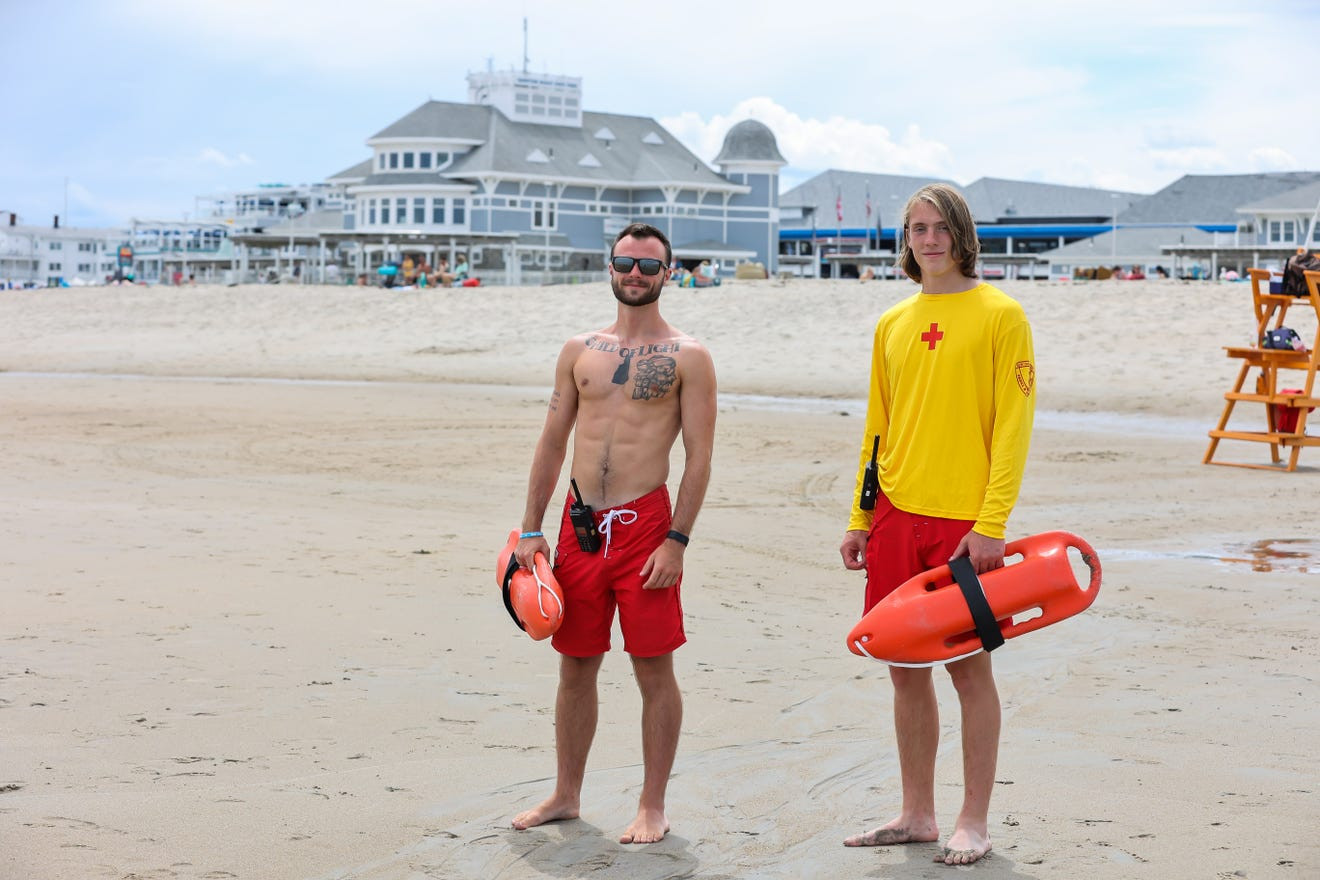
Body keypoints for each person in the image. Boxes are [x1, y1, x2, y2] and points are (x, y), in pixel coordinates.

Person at [838, 183, 1035, 866]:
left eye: (941, 227)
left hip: (962, 525)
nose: (929, 239)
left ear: (962, 234)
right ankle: (917, 813)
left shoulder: (1002, 314)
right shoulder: (892, 324)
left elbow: (1013, 429)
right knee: (902, 670)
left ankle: (972, 820)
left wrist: (992, 523)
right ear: (907, 241)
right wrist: (862, 516)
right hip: (895, 514)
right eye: (917, 228)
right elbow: (877, 428)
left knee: (969, 672)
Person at [509, 222, 717, 845]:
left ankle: (652, 805)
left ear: (668, 274)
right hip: (578, 529)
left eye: (648, 267)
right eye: (625, 262)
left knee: (654, 670)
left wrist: (677, 540)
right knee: (575, 666)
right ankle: (567, 794)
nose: (635, 274)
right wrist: (530, 528)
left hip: (646, 528)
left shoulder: (690, 356)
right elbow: (552, 441)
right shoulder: (579, 350)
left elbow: (700, 457)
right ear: (610, 268)